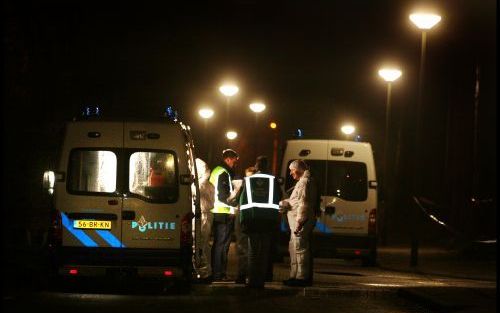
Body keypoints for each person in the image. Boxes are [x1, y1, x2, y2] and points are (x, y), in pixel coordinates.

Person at [239, 156, 281, 288]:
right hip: (268, 221)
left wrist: (242, 220)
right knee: (264, 253)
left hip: (253, 220)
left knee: (253, 252)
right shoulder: (273, 180)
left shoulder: (249, 180)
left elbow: (243, 200)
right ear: (267, 166)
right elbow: (279, 198)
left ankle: (252, 281)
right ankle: (260, 282)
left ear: (256, 166)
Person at [280, 159, 318, 287]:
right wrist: (287, 203)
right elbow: (298, 201)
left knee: (300, 249)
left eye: (292, 171)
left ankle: (301, 277)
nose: (291, 173)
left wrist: (300, 222)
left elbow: (303, 204)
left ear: (298, 170)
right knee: (294, 248)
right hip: (296, 222)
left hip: (299, 222)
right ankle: (295, 275)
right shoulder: (303, 182)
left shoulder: (304, 183)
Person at [209, 149, 239, 282]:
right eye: (234, 160)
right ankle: (219, 273)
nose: (235, 164)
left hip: (217, 212)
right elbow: (223, 196)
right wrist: (235, 204)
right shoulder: (223, 172)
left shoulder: (217, 170)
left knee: (218, 244)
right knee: (222, 245)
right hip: (223, 213)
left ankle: (218, 273)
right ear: (228, 159)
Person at [234, 166, 256, 284]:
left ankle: (242, 275)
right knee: (252, 248)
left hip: (243, 218)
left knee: (242, 248)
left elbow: (234, 200)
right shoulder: (260, 186)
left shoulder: (243, 185)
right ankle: (251, 275)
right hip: (254, 219)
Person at [195, 158, 215, 282]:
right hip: (206, 215)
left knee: (201, 243)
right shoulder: (209, 184)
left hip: (203, 215)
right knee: (204, 243)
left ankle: (204, 272)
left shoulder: (200, 185)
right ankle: (206, 271)